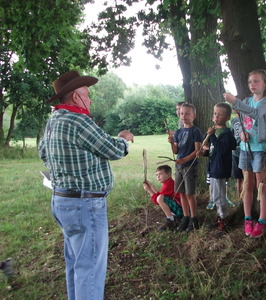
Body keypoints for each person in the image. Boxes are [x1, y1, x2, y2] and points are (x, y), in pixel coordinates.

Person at [39, 71, 134, 300]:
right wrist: (124, 139)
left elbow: (44, 153)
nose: (90, 99)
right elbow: (113, 149)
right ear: (75, 96)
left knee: (76, 266)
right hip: (85, 205)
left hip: (62, 202)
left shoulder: (54, 121)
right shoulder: (78, 120)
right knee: (90, 270)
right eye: (87, 95)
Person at [224, 69, 266, 238]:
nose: (252, 84)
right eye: (250, 82)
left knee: (262, 186)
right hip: (246, 150)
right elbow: (241, 122)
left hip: (260, 150)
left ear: (265, 84)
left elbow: (256, 114)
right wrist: (241, 133)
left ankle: (262, 221)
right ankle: (247, 218)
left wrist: (235, 102)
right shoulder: (246, 101)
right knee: (247, 185)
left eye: (256, 81)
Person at [201, 103, 236, 232]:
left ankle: (224, 219)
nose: (216, 116)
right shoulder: (216, 132)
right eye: (215, 113)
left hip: (221, 168)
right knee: (215, 195)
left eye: (220, 114)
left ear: (227, 118)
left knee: (220, 195)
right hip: (213, 167)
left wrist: (212, 136)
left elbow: (221, 149)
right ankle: (219, 216)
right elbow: (213, 150)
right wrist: (204, 153)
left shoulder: (226, 133)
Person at [168, 103, 202, 232]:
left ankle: (194, 219)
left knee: (189, 194)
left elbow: (197, 151)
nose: (184, 116)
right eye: (182, 113)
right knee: (181, 193)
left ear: (194, 116)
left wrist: (185, 160)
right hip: (179, 167)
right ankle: (186, 217)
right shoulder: (178, 131)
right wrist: (172, 143)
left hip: (189, 166)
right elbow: (176, 150)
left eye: (187, 113)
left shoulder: (195, 131)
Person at [143, 165, 183, 231]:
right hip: (179, 207)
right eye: (157, 175)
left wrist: (149, 190)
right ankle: (173, 217)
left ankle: (171, 220)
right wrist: (152, 187)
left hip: (180, 210)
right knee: (160, 197)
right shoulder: (168, 182)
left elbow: (158, 200)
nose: (158, 176)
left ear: (168, 175)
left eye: (160, 174)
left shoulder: (168, 184)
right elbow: (160, 195)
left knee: (160, 198)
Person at [231, 110, 244, 199]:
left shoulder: (247, 119)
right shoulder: (233, 121)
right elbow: (232, 135)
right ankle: (239, 198)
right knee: (238, 177)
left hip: (245, 151)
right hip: (235, 152)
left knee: (245, 177)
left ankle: (244, 198)